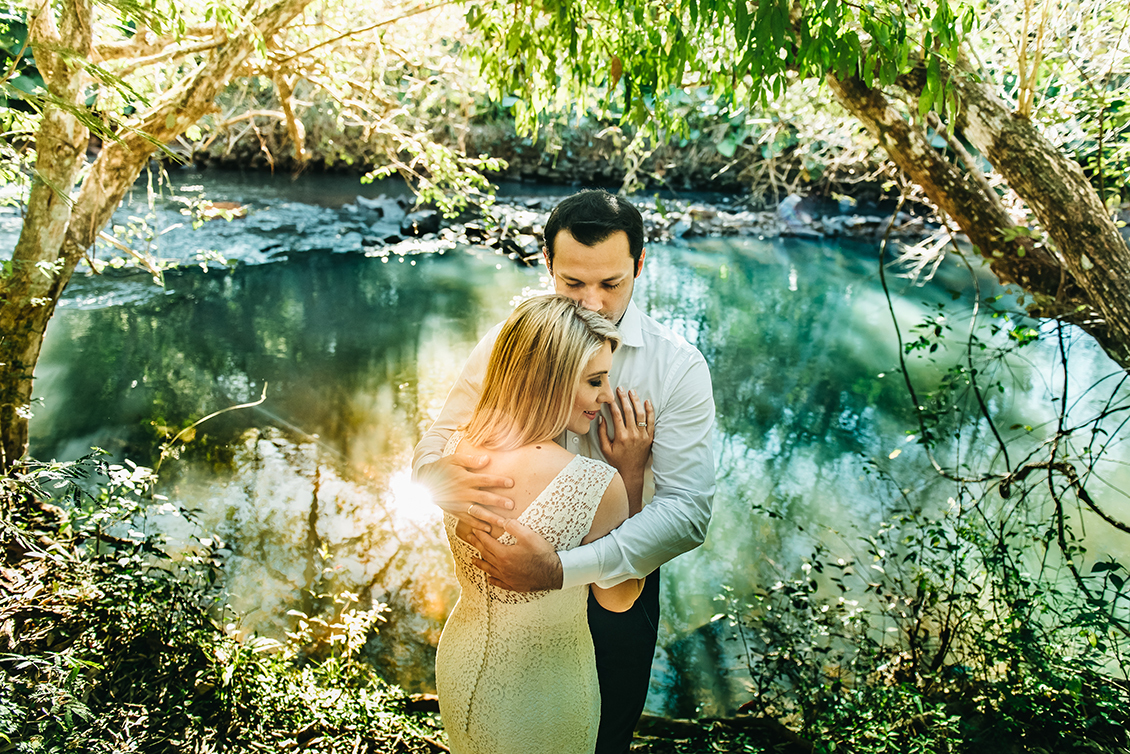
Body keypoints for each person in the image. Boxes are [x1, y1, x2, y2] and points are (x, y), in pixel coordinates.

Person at [414, 189, 716, 754]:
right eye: (573, 283)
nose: (594, 303)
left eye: (611, 284)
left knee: (605, 733)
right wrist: (438, 477)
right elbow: (437, 440)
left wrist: (560, 569)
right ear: (547, 263)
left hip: (624, 563)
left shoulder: (678, 367)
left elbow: (688, 511)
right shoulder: (512, 343)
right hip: (503, 598)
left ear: (639, 266)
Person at [434, 294, 644, 754]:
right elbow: (620, 599)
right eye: (595, 380)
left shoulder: (454, 452)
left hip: (460, 665)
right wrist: (630, 475)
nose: (607, 395)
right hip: (547, 691)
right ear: (552, 380)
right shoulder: (595, 485)